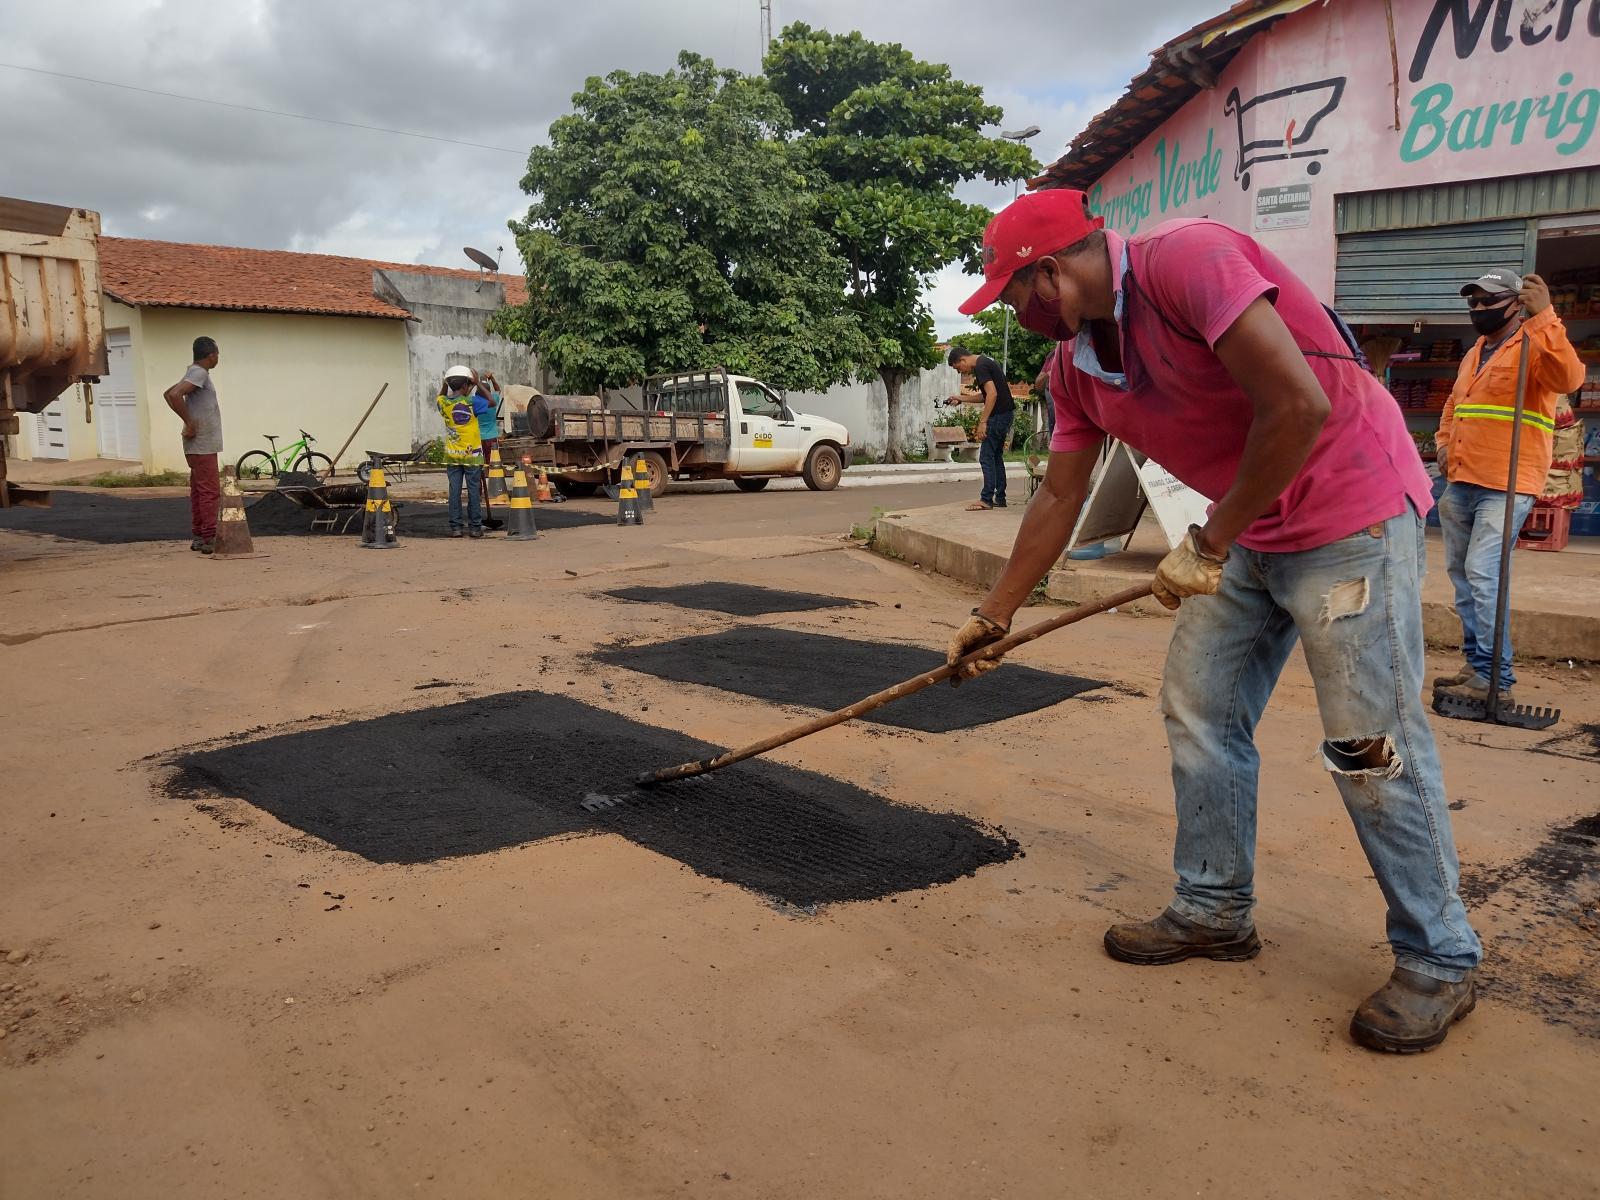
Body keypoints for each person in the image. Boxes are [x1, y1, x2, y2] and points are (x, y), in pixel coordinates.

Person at [945, 188, 1480, 1054]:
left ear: (1051, 273)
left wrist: (1209, 540)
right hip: (1243, 532)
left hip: (1348, 514)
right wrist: (993, 614)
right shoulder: (1076, 368)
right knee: (1199, 710)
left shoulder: (1185, 263)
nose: (1016, 316)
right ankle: (1214, 909)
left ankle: (1440, 955)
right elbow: (1058, 493)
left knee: (1367, 743)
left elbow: (1298, 406)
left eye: (1015, 296)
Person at [1434, 269, 1584, 706]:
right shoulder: (1477, 350)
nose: (1479, 309)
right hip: (1462, 478)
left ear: (1515, 303)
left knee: (1484, 574)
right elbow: (1454, 403)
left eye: (1489, 301)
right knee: (1463, 577)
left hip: (1507, 480)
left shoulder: (1536, 342)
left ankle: (1496, 676)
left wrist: (1546, 318)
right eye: (1474, 302)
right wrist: (1443, 443)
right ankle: (1475, 664)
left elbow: (1569, 379)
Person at [162, 337, 223, 554]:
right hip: (202, 443)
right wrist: (189, 421)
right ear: (211, 355)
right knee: (210, 491)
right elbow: (175, 395)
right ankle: (209, 537)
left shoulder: (192, 372)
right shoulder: (200, 373)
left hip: (196, 443)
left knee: (199, 490)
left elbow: (169, 394)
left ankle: (199, 536)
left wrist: (187, 421)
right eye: (217, 354)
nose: (218, 358)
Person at [947, 345, 1013, 510]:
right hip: (1005, 414)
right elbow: (986, 396)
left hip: (998, 417)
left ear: (962, 359)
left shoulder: (981, 366)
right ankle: (1000, 497)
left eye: (958, 368)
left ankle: (986, 499)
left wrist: (983, 422)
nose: (960, 372)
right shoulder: (986, 361)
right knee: (995, 456)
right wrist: (961, 398)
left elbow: (992, 394)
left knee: (986, 456)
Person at [437, 365, 485, 538]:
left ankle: (456, 528)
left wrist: (446, 382)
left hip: (452, 455)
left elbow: (441, 396)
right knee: (473, 491)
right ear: (466, 386)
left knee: (454, 492)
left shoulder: (443, 403)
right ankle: (475, 528)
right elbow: (492, 402)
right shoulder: (472, 402)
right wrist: (478, 383)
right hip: (472, 456)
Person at [474, 370, 504, 520]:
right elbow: (498, 389)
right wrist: (492, 378)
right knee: (493, 467)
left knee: (478, 467)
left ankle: (479, 493)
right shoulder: (494, 400)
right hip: (492, 438)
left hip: (478, 439)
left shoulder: (475, 403)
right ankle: (495, 492)